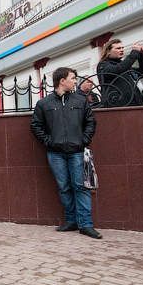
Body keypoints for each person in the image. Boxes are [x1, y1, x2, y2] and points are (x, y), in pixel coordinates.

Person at [30, 68, 101, 239]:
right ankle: (71, 221)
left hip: (77, 151)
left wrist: (83, 140)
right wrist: (48, 142)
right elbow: (35, 126)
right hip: (55, 153)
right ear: (62, 81)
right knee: (64, 188)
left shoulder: (81, 100)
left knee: (81, 187)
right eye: (73, 78)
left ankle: (86, 225)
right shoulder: (44, 103)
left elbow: (90, 122)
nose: (75, 81)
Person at [96, 39, 143, 107]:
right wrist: (134, 53)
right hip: (118, 106)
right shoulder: (103, 65)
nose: (121, 50)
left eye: (122, 48)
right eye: (118, 48)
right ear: (108, 51)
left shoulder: (124, 65)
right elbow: (118, 69)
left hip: (135, 104)